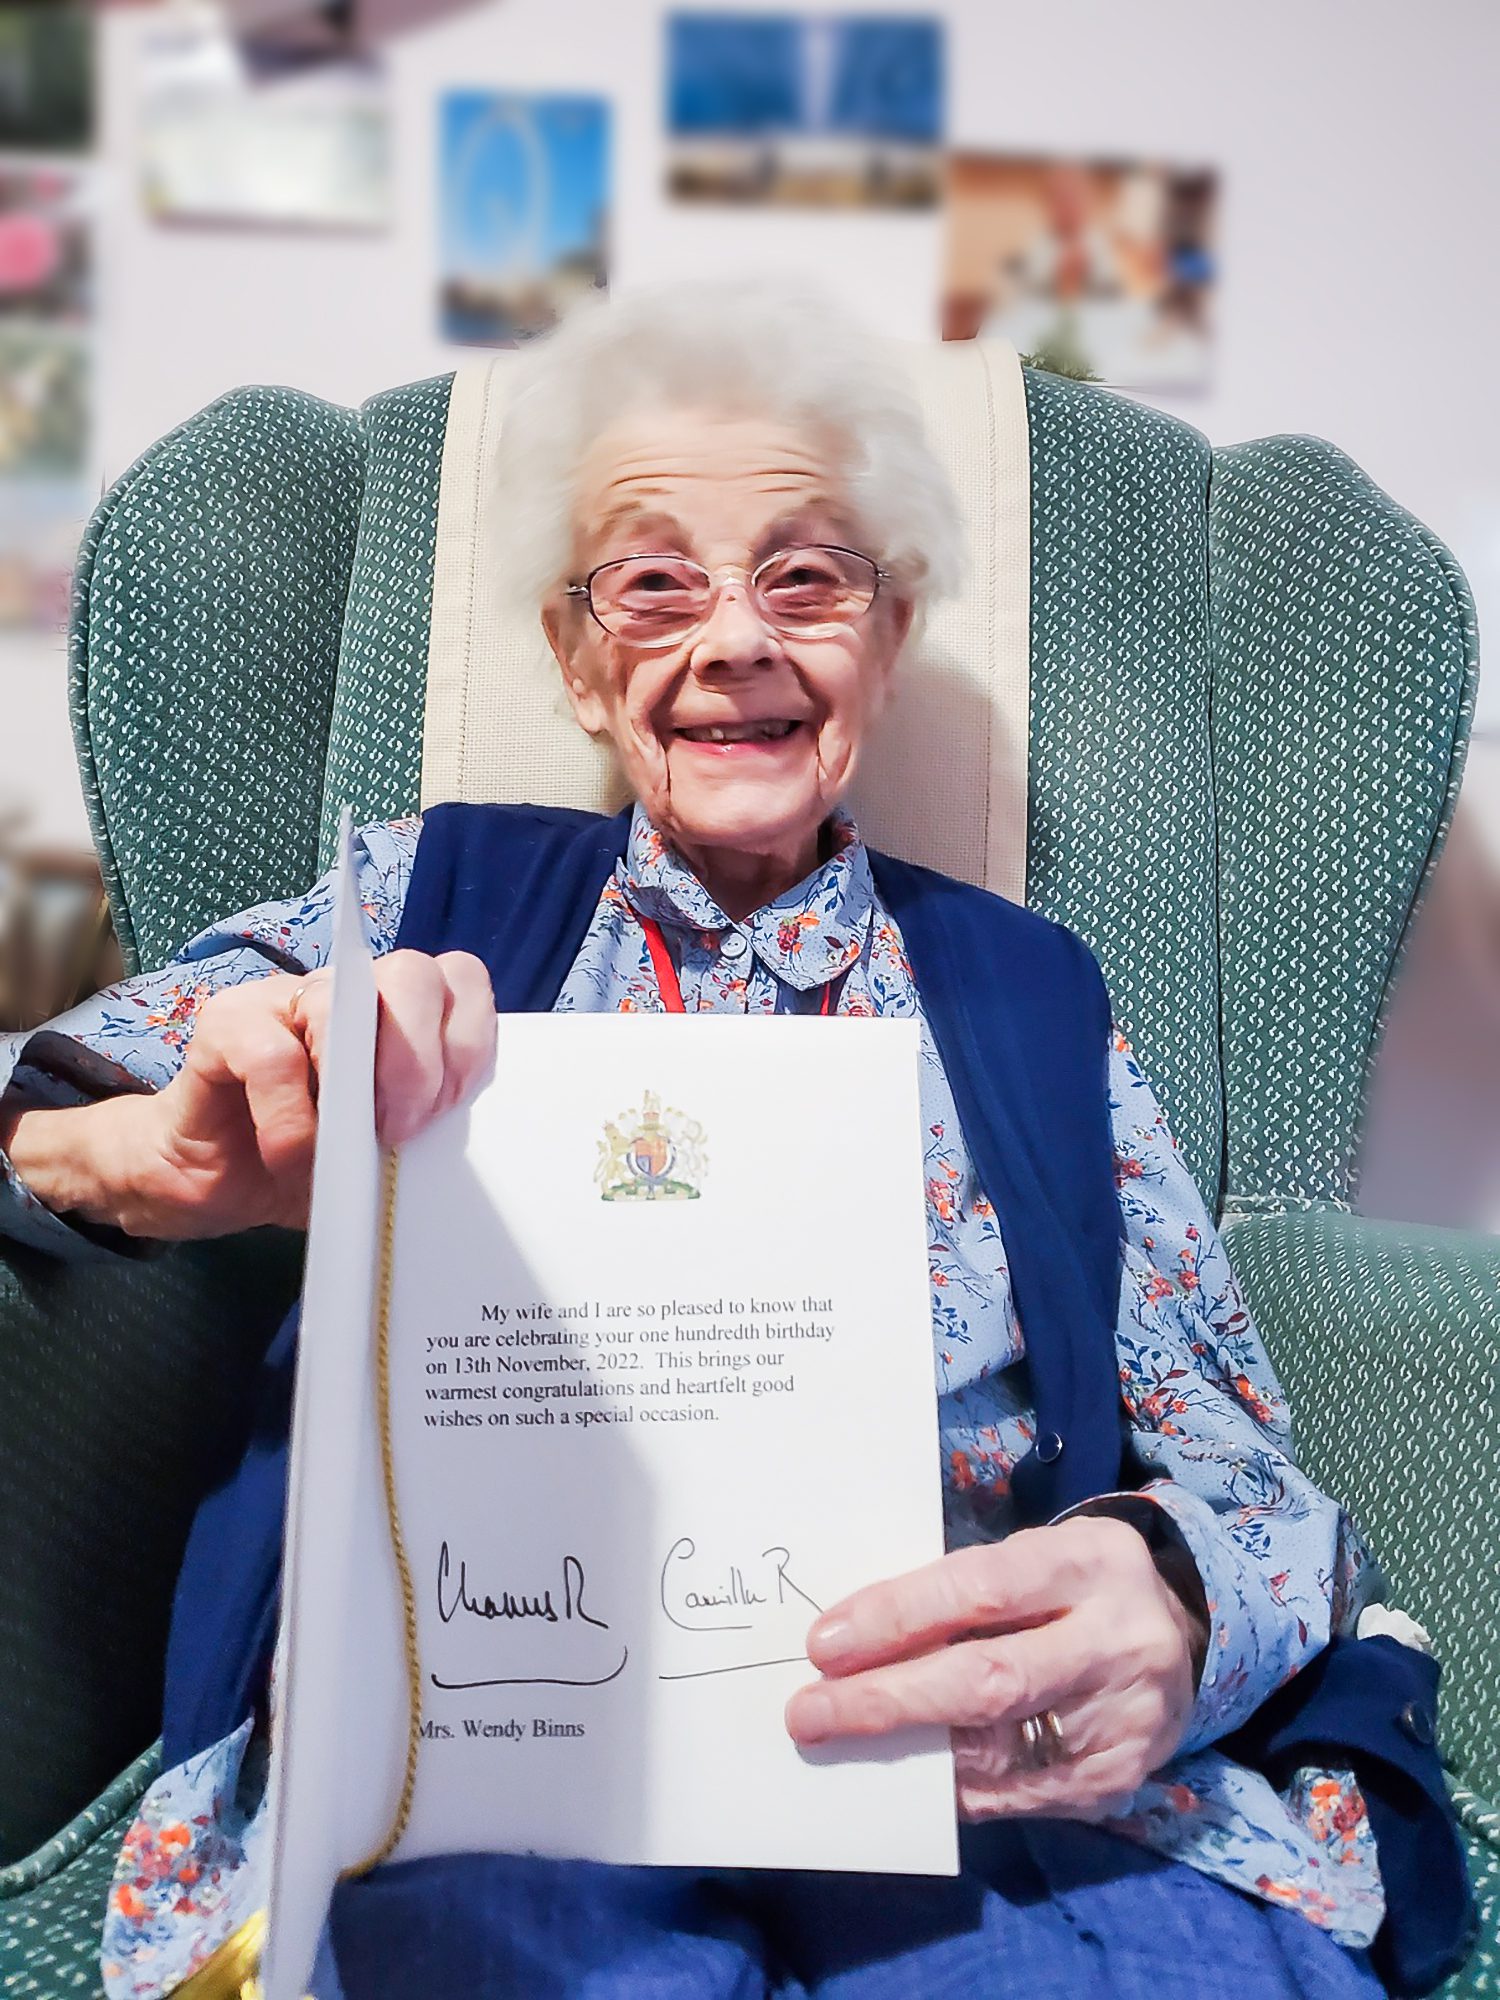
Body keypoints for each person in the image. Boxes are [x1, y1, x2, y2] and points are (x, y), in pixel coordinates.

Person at [0, 280, 1466, 1999]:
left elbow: (1249, 1462)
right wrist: (146, 1159)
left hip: (965, 1773)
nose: (735, 638)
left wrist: (1174, 1596)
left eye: (807, 574)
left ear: (888, 634)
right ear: (572, 652)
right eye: (654, 582)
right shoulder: (422, 898)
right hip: (503, 1769)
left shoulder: (1032, 998)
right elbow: (60, 1099)